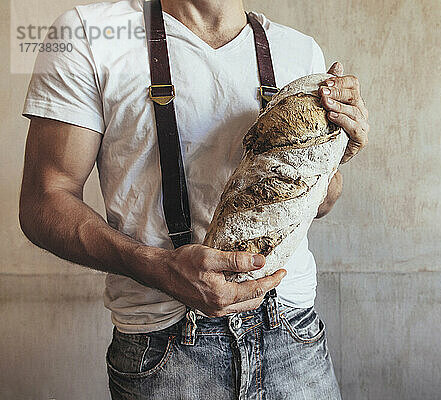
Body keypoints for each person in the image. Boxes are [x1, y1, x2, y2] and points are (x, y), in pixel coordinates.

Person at [18, 0, 370, 398]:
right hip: (165, 348)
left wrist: (331, 159)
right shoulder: (87, 34)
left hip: (294, 338)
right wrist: (158, 267)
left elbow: (315, 203)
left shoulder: (300, 51)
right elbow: (45, 200)